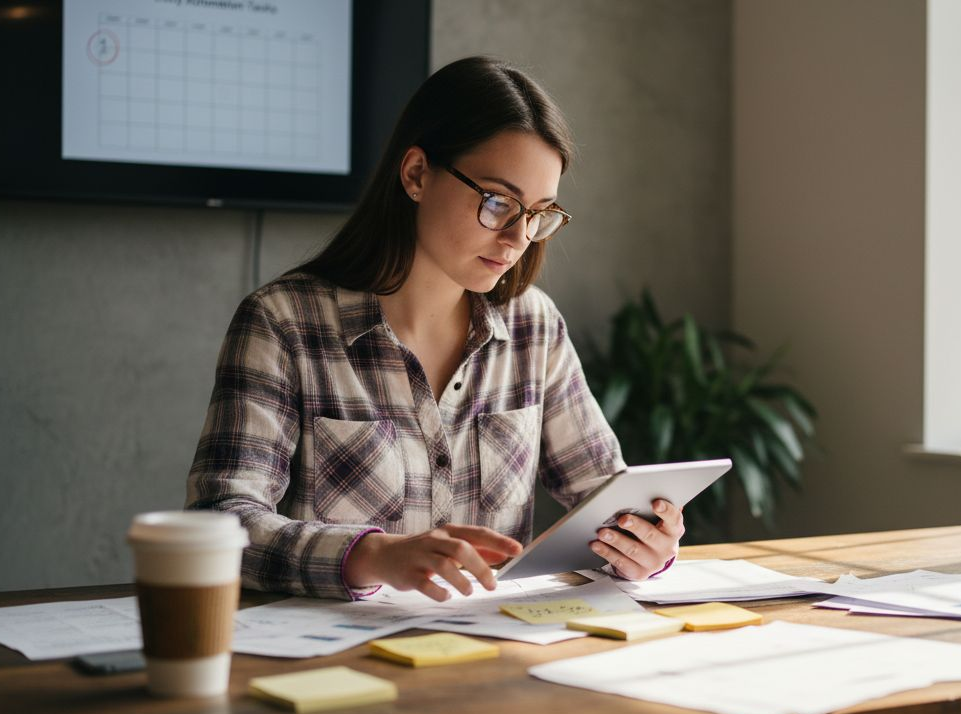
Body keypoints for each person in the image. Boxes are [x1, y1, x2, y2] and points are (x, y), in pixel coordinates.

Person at [186, 56, 683, 602]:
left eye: (539, 213)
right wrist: (374, 556)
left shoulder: (533, 327)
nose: (518, 238)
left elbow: (604, 496)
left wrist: (644, 545)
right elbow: (219, 525)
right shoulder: (283, 325)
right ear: (417, 174)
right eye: (498, 203)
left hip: (492, 656)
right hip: (341, 663)